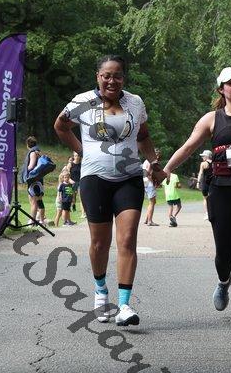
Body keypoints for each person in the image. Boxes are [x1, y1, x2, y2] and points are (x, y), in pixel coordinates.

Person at [53, 54, 165, 326]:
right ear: (98, 77)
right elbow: (61, 126)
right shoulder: (84, 102)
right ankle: (101, 292)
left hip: (129, 179)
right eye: (106, 76)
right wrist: (82, 150)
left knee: (127, 240)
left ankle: (124, 305)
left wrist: (154, 163)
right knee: (100, 243)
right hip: (95, 180)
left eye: (117, 76)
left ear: (123, 78)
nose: (112, 81)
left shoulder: (135, 102)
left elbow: (143, 135)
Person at [163, 66, 231, 330]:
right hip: (222, 193)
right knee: (224, 253)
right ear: (221, 89)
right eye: (229, 83)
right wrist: (166, 170)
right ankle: (224, 281)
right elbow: (189, 147)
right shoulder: (212, 119)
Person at [20, 136, 46, 225]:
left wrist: (24, 169)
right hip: (38, 179)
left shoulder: (32, 153)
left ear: (28, 144)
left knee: (34, 202)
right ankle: (41, 220)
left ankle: (32, 221)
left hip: (33, 180)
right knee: (38, 201)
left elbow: (31, 166)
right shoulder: (38, 152)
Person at [142, 149, 161, 226]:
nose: (158, 157)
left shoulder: (146, 161)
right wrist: (152, 183)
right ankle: (150, 221)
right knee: (152, 202)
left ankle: (147, 219)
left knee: (152, 201)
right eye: (157, 155)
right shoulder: (151, 161)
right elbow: (147, 173)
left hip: (144, 181)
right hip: (148, 182)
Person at [196, 149, 213, 220]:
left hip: (205, 183)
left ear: (207, 156)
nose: (202, 157)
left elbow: (200, 173)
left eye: (203, 156)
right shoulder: (214, 163)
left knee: (205, 198)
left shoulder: (203, 164)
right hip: (213, 183)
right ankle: (213, 212)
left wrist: (198, 182)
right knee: (213, 198)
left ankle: (207, 213)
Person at [69, 151, 84, 216]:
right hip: (72, 182)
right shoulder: (70, 164)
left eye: (78, 156)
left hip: (80, 182)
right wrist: (70, 180)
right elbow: (66, 174)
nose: (77, 157)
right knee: (73, 197)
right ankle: (73, 207)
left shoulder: (82, 164)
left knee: (81, 197)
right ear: (73, 156)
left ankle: (83, 213)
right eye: (75, 156)